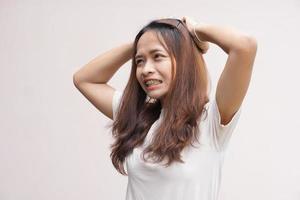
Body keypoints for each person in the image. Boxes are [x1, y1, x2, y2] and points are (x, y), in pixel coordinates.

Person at [73, 16, 257, 200]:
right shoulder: (138, 116)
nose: (146, 69)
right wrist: (143, 41)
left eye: (157, 56)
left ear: (183, 58)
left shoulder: (211, 121)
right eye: (140, 61)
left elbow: (245, 46)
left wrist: (194, 31)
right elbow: (84, 79)